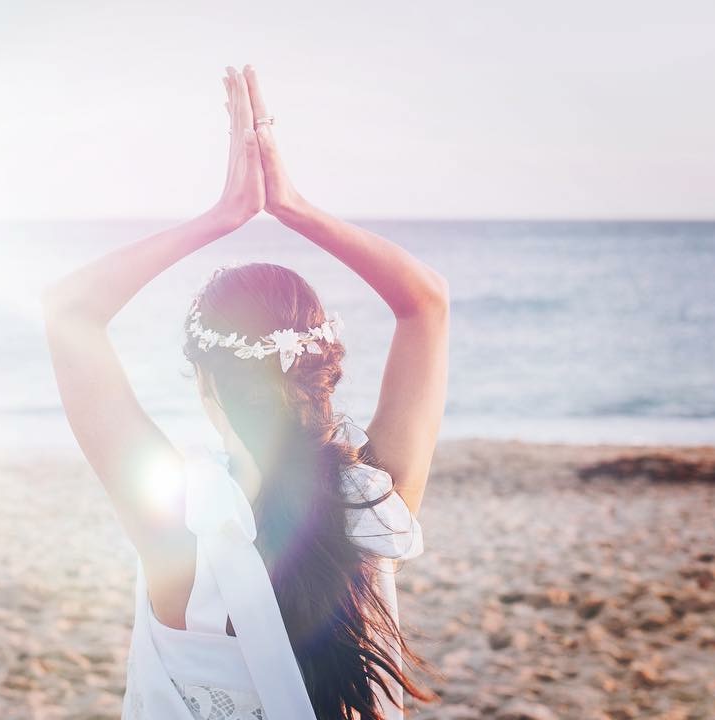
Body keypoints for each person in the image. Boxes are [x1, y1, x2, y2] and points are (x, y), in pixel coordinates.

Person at [42, 64, 449, 720]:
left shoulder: (177, 523)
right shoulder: (374, 509)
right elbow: (426, 304)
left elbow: (69, 312)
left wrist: (224, 215)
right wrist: (295, 207)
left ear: (205, 382)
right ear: (326, 370)